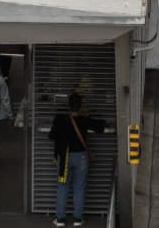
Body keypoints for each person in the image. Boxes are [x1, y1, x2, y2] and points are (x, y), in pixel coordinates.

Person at [50, 93, 108, 228]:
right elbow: (100, 127)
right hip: (81, 158)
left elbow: (51, 135)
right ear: (80, 106)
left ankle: (60, 219)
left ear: (68, 105)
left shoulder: (59, 119)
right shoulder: (84, 120)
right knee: (79, 188)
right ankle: (77, 219)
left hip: (64, 158)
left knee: (62, 187)